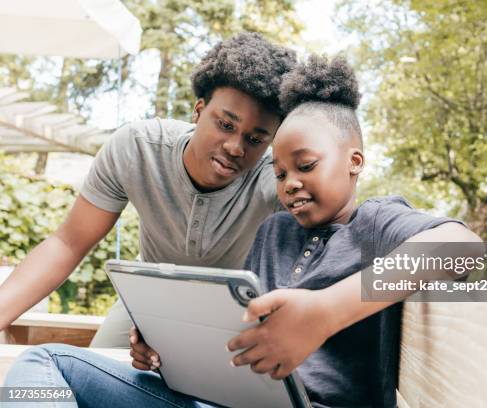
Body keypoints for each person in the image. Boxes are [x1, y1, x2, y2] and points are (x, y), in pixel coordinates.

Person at [3, 54, 482, 408]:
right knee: (40, 368)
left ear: (356, 162)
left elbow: (460, 248)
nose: (290, 182)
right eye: (279, 172)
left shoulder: (374, 222)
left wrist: (324, 313)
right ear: (197, 111)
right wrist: (168, 352)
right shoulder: (274, 233)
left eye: (305, 165)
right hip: (226, 397)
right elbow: (236, 340)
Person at [0, 32, 296, 347]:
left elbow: (343, 247)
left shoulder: (276, 179)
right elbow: (67, 244)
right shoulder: (137, 149)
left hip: (236, 313)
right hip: (151, 302)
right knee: (91, 377)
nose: (236, 147)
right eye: (225, 125)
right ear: (198, 111)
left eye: (255, 139)